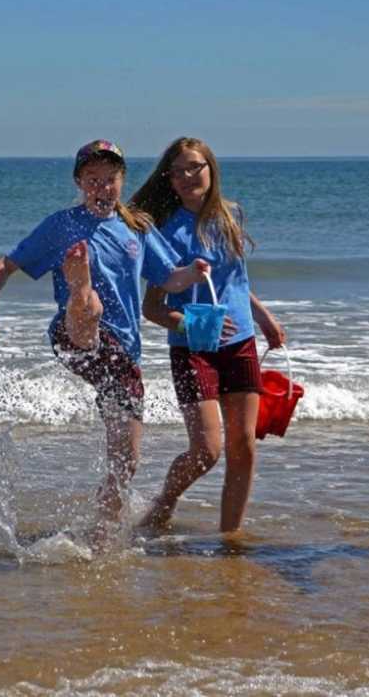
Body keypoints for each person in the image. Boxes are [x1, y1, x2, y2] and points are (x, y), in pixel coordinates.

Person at [0, 140, 209, 545]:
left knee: (126, 459)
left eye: (111, 180)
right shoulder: (61, 225)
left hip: (122, 356)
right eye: (93, 180)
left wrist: (193, 270)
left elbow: (168, 278)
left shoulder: (136, 227)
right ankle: (81, 292)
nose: (103, 187)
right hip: (72, 335)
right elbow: (6, 263)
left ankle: (100, 535)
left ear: (122, 181)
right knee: (90, 308)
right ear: (80, 183)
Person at [131, 137, 287, 535]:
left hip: (241, 344)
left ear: (211, 169)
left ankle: (230, 538)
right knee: (207, 451)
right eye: (177, 171)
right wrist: (188, 324)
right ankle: (163, 504)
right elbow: (152, 307)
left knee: (244, 446)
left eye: (194, 167)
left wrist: (262, 315)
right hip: (193, 348)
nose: (186, 177)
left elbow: (233, 280)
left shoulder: (231, 215)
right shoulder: (165, 231)